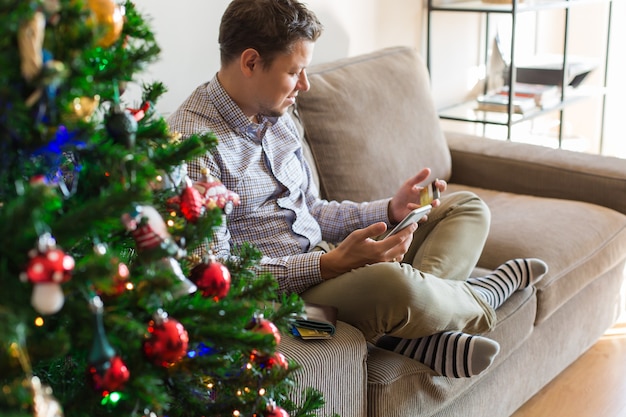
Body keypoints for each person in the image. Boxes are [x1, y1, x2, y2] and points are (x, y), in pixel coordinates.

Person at [167, 0, 548, 378]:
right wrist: (326, 264)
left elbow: (312, 211)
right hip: (285, 298)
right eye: (295, 71)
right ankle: (484, 296)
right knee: (396, 283)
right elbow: (209, 275)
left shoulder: (275, 112)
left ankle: (414, 331)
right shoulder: (191, 144)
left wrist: (390, 211)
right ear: (250, 62)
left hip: (329, 261)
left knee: (464, 208)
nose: (305, 84)